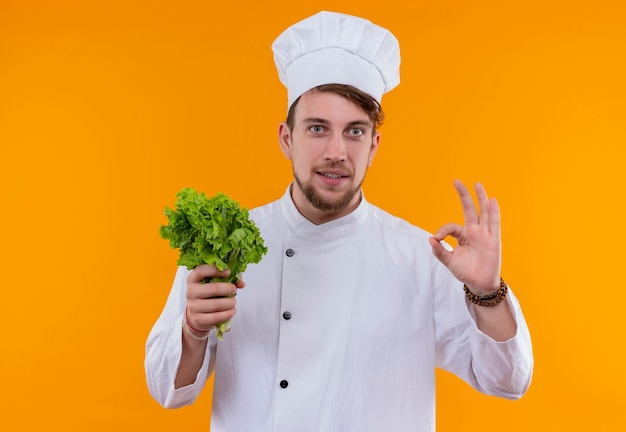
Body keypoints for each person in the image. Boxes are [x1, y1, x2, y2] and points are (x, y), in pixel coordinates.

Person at [145, 11, 533, 432]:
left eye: (354, 132)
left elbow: (508, 381)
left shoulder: (423, 256)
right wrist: (192, 331)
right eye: (317, 128)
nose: (336, 151)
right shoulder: (225, 246)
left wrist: (487, 292)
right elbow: (168, 390)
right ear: (286, 139)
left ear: (373, 146)